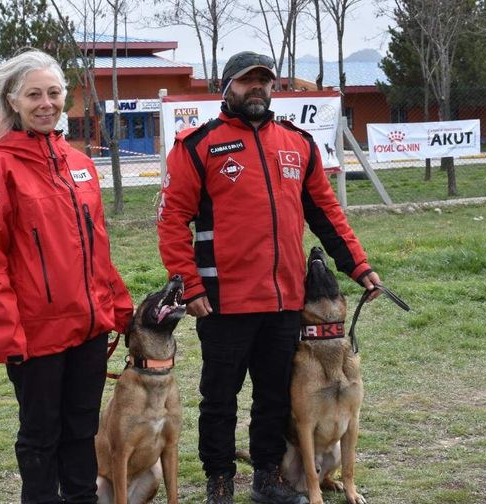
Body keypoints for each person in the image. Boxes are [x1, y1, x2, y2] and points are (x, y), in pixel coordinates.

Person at [156, 51, 383, 504]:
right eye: (246, 81)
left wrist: (359, 266)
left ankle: (267, 476)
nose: (256, 88)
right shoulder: (197, 144)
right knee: (219, 398)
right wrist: (192, 286)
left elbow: (326, 213)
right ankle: (218, 479)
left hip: (284, 299)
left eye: (264, 80)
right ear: (227, 88)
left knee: (274, 397)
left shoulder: (297, 143)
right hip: (222, 300)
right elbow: (171, 221)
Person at [0, 49, 133, 503]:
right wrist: (4, 330)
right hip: (34, 335)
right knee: (41, 436)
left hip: (89, 329)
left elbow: (97, 248)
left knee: (81, 431)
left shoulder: (79, 163)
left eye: (54, 93)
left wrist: (119, 308)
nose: (46, 103)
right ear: (13, 101)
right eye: (33, 94)